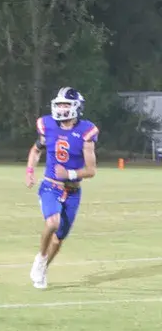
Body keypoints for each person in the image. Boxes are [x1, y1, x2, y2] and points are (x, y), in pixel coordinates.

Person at [26, 87, 98, 290]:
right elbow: (36, 150)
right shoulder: (47, 125)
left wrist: (70, 174)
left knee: (58, 240)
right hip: (51, 186)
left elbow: (91, 170)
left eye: (66, 104)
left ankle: (43, 269)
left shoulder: (86, 131)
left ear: (76, 107)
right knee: (52, 223)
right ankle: (41, 258)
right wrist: (30, 170)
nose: (61, 108)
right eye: (59, 104)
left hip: (73, 191)